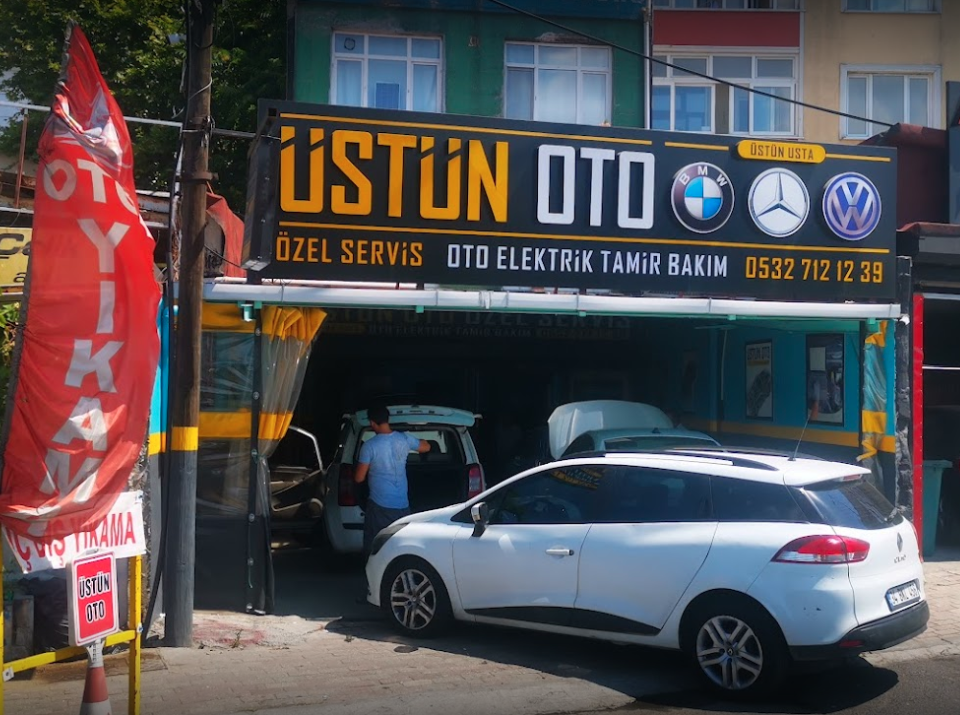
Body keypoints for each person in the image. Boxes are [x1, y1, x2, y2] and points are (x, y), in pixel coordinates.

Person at [354, 405, 431, 557]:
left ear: (372, 423)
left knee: (376, 546)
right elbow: (426, 447)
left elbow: (359, 478)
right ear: (387, 419)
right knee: (401, 544)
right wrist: (418, 440)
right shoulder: (404, 439)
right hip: (402, 505)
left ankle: (375, 570)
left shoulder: (369, 446)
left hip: (379, 505)